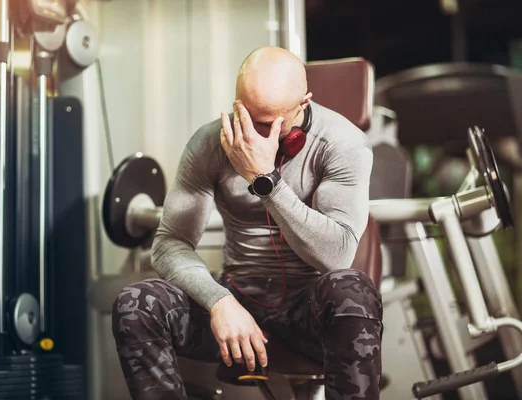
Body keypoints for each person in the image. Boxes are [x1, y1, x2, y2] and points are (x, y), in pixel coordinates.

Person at [111, 46, 383, 400]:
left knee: (352, 289)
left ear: (304, 103)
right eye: (246, 115)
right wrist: (218, 300)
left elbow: (336, 257)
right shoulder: (211, 143)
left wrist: (266, 180)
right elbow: (169, 243)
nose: (251, 134)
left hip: (307, 314)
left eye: (269, 123)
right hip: (235, 300)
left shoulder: (342, 145)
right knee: (136, 302)